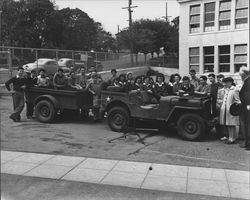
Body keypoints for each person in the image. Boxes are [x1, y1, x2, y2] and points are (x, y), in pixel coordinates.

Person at [219, 77, 240, 144]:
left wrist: (234, 108)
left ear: (230, 82)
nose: (224, 84)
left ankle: (232, 139)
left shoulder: (234, 90)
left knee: (231, 124)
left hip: (231, 110)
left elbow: (238, 101)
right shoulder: (227, 90)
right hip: (225, 110)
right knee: (228, 124)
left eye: (225, 82)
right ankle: (230, 137)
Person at [238, 66, 250, 150]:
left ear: (244, 74)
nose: (240, 76)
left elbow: (247, 95)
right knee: (246, 125)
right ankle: (247, 143)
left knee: (247, 125)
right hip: (245, 106)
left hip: (247, 107)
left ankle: (248, 144)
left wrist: (248, 104)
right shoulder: (246, 81)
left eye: (240, 75)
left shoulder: (248, 82)